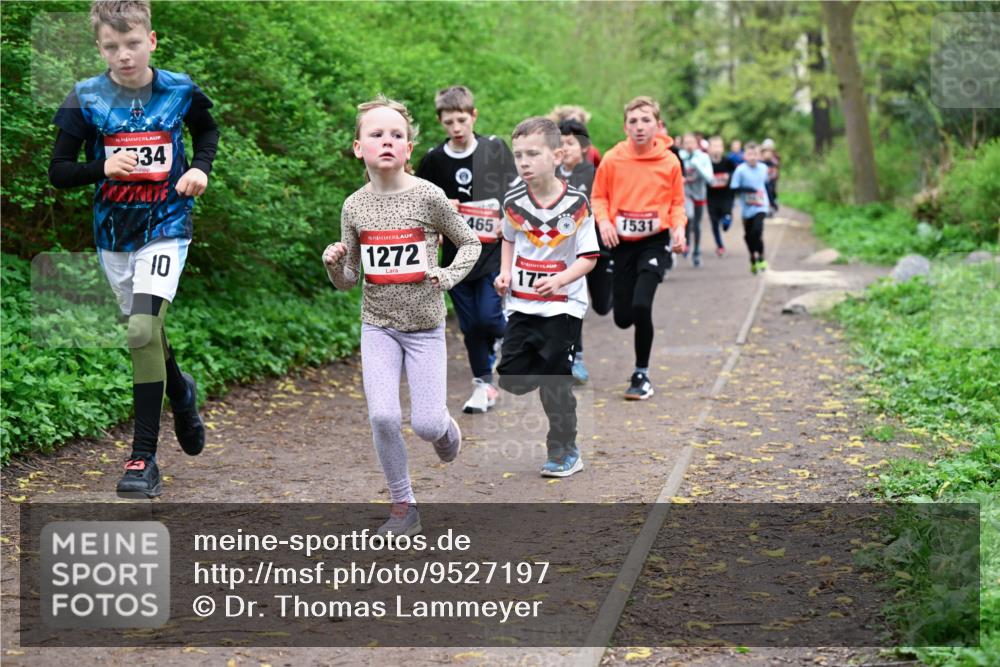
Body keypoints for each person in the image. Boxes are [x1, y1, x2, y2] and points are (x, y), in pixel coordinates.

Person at [48, 0, 218, 498]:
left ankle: (143, 458)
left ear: (152, 40)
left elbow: (206, 129)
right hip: (114, 235)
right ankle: (181, 392)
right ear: (99, 47)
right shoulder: (85, 98)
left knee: (141, 329)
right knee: (147, 331)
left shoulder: (179, 89)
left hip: (167, 224)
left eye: (132, 43)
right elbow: (58, 171)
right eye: (111, 46)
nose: (123, 54)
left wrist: (200, 168)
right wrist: (101, 167)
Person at [324, 96, 480, 536]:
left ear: (409, 148)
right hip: (378, 327)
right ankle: (402, 506)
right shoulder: (354, 206)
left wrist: (447, 276)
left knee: (427, 424)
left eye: (397, 135)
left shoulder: (428, 196)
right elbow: (350, 279)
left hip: (425, 328)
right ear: (359, 147)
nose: (387, 141)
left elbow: (470, 243)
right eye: (377, 134)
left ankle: (446, 430)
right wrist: (333, 264)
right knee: (383, 417)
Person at [494, 117, 598, 476]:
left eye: (533, 154)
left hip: (563, 305)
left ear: (556, 156)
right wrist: (505, 273)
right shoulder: (513, 202)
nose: (524, 162)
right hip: (522, 303)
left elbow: (588, 257)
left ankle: (564, 450)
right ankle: (551, 370)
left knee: (556, 383)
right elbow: (508, 239)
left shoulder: (577, 203)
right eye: (518, 155)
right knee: (511, 377)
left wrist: (560, 280)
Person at [416, 86, 517, 415]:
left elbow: (516, 190)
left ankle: (519, 336)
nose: (456, 128)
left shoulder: (494, 148)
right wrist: (443, 207)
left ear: (474, 116)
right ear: (440, 122)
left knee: (488, 317)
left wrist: (508, 219)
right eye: (449, 122)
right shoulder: (434, 159)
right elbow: (419, 202)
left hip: (491, 252)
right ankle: (483, 385)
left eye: (461, 120)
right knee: (470, 326)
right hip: (455, 258)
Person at [591, 97, 686, 400]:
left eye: (646, 120)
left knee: (642, 305)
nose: (639, 126)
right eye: (633, 121)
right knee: (623, 318)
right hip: (621, 244)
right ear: (625, 127)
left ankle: (641, 374)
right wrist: (604, 222)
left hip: (654, 242)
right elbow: (598, 197)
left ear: (658, 125)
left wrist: (679, 228)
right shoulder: (612, 159)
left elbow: (677, 202)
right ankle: (621, 301)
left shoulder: (670, 162)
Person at [557, 119, 612, 384]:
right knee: (571, 302)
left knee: (602, 305)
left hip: (598, 248)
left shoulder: (596, 174)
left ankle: (616, 284)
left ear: (584, 147)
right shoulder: (550, 176)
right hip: (567, 252)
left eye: (570, 143)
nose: (564, 148)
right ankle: (575, 358)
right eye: (560, 143)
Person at [730, 142, 771, 274]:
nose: (752, 157)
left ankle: (761, 257)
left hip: (761, 206)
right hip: (746, 209)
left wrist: (772, 202)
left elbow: (767, 185)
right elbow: (733, 188)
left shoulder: (763, 168)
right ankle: (753, 257)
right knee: (748, 236)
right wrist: (746, 189)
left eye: (755, 154)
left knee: (757, 231)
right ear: (744, 156)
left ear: (759, 155)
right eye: (749, 154)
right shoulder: (740, 170)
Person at [680, 132, 714, 268]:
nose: (689, 145)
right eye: (686, 143)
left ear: (696, 144)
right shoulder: (680, 157)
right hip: (685, 193)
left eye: (691, 142)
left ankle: (696, 252)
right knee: (689, 216)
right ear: (682, 145)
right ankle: (687, 243)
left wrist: (697, 165)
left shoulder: (703, 157)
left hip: (699, 194)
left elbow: (710, 179)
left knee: (697, 224)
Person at [706, 135, 737, 257]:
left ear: (723, 148)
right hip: (711, 198)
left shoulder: (728, 162)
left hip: (726, 196)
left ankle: (727, 220)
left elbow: (736, 173)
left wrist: (730, 177)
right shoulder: (706, 163)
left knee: (726, 221)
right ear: (709, 149)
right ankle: (720, 246)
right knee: (714, 223)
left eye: (719, 146)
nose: (717, 149)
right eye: (714, 146)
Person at [761, 138, 781, 215]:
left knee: (772, 191)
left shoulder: (775, 156)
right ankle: (767, 207)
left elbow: (777, 165)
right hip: (764, 178)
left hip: (772, 177)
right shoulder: (761, 155)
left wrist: (770, 159)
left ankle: (773, 205)